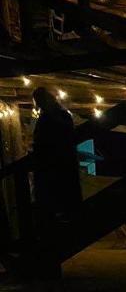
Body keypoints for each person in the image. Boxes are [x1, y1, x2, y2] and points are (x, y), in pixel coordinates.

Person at [32, 87, 82, 223]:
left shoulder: (52, 118)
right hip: (60, 166)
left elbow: (41, 141)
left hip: (55, 166)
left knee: (57, 198)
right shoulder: (59, 116)